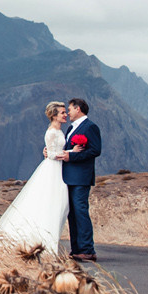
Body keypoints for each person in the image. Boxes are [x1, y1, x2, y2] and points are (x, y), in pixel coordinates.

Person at [0, 101, 72, 255]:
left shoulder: (58, 130)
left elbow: (52, 150)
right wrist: (70, 153)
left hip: (58, 169)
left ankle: (48, 241)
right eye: (62, 112)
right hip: (54, 169)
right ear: (54, 115)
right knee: (51, 204)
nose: (65, 114)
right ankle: (45, 243)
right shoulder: (53, 131)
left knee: (57, 205)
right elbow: (53, 154)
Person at [57, 97, 102, 260]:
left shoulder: (90, 127)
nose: (68, 113)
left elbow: (95, 150)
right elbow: (67, 150)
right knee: (73, 213)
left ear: (78, 109)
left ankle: (87, 249)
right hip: (69, 177)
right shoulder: (70, 129)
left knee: (81, 211)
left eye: (69, 109)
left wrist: (72, 157)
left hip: (81, 177)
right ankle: (76, 249)